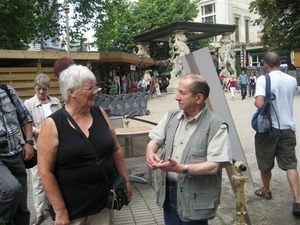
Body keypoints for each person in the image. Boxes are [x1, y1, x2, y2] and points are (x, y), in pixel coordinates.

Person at [37, 65, 132, 224]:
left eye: (95, 86)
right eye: (90, 88)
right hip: (73, 211)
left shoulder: (100, 113)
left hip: (104, 205)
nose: (96, 91)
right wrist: (60, 211)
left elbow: (115, 149)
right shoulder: (53, 124)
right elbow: (45, 171)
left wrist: (126, 181)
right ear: (71, 92)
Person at [145, 73, 232, 225]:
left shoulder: (216, 125)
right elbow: (154, 140)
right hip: (169, 193)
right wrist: (150, 153)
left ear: (199, 98)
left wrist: (180, 168)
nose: (176, 97)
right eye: (178, 92)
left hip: (196, 196)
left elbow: (213, 166)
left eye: (182, 93)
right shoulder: (172, 115)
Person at [253, 52, 300, 215]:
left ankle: (266, 190)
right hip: (288, 127)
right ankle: (297, 200)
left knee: (265, 160)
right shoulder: (292, 80)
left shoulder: (263, 79)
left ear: (265, 65)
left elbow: (259, 103)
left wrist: (257, 101)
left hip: (269, 129)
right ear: (279, 63)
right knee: (290, 164)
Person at [24, 74, 61, 225]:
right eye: (38, 89)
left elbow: (61, 120)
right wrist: (42, 133)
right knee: (38, 178)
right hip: (37, 146)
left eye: (44, 89)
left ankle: (52, 205)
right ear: (35, 88)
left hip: (55, 145)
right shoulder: (28, 104)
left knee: (54, 175)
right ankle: (39, 211)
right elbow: (27, 125)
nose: (41, 92)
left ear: (48, 89)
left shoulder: (56, 102)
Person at [0, 85, 34, 225]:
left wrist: (29, 142)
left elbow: (25, 117)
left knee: (21, 207)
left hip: (16, 154)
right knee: (11, 189)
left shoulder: (7, 91)